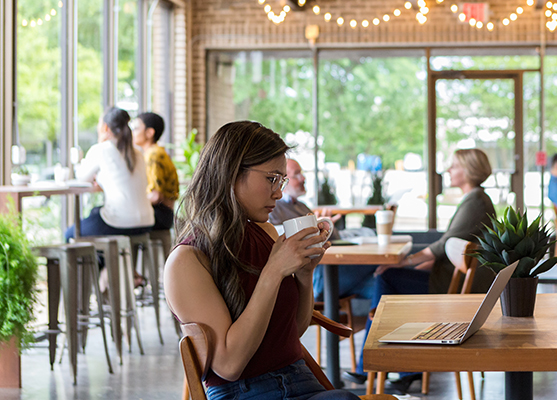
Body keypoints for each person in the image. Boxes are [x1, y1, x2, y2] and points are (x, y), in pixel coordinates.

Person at [164, 121, 358, 400]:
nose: (278, 193)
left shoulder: (265, 232)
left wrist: (304, 275)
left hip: (302, 381)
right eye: (271, 179)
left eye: (281, 181)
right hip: (245, 392)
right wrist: (273, 272)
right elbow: (229, 365)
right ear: (231, 172)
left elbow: (292, 331)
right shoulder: (187, 260)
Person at [343, 149, 497, 392]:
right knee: (389, 279)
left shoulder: (476, 200)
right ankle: (393, 368)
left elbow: (442, 245)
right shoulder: (476, 198)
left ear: (468, 170)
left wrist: (405, 261)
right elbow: (447, 247)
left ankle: (376, 366)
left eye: (454, 166)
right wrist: (416, 263)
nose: (448, 170)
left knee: (387, 276)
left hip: (452, 289)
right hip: (450, 280)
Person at [268, 159, 377, 302]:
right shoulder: (272, 208)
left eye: (302, 173)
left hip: (324, 273)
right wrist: (313, 229)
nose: (303, 178)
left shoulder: (301, 206)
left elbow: (332, 238)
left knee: (379, 283)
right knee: (375, 264)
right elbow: (275, 236)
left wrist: (326, 227)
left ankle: (369, 324)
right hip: (315, 277)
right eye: (297, 174)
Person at [66, 107, 154, 241]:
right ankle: (104, 260)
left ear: (105, 128)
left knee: (70, 234)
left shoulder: (101, 149)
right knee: (95, 212)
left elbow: (82, 177)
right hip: (147, 221)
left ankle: (100, 262)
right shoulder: (138, 152)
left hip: (121, 222)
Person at [132, 112, 179, 231]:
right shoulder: (158, 152)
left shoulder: (153, 155)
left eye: (136, 128)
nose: (132, 133)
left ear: (149, 132)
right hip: (166, 214)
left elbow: (156, 196)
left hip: (160, 214)